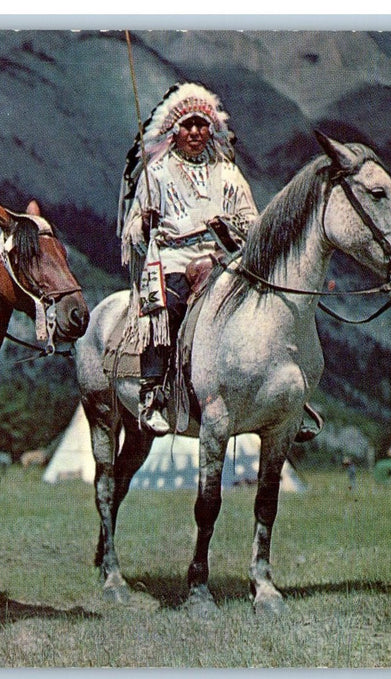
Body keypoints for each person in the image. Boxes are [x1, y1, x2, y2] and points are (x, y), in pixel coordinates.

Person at [118, 82, 258, 434]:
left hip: (222, 261)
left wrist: (232, 228)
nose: (195, 132)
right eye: (188, 125)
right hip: (174, 259)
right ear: (174, 131)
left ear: (212, 129)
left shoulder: (228, 174)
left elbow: (252, 223)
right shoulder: (157, 175)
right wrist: (145, 225)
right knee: (167, 308)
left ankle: (281, 393)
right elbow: (131, 231)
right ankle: (152, 394)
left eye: (202, 125)